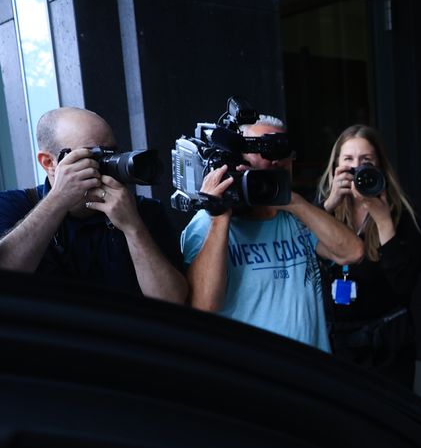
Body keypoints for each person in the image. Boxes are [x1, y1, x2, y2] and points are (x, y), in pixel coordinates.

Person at [182, 114, 364, 351]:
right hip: (258, 381)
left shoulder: (295, 214)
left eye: (282, 150)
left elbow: (352, 253)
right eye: (264, 150)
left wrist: (293, 202)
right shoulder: (207, 222)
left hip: (313, 374)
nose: (276, 160)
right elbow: (203, 308)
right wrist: (220, 217)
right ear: (240, 158)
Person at [0, 107, 187, 303]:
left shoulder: (144, 212)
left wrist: (133, 228)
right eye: (92, 156)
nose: (104, 164)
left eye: (112, 153)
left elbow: (174, 302)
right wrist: (58, 200)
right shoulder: (15, 206)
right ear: (49, 162)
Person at [317, 125, 421, 388]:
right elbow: (305, 262)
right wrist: (327, 207)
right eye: (349, 161)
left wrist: (384, 220)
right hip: (338, 346)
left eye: (366, 161)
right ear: (335, 167)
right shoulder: (320, 210)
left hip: (388, 348)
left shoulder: (401, 214)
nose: (357, 168)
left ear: (379, 167)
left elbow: (404, 288)